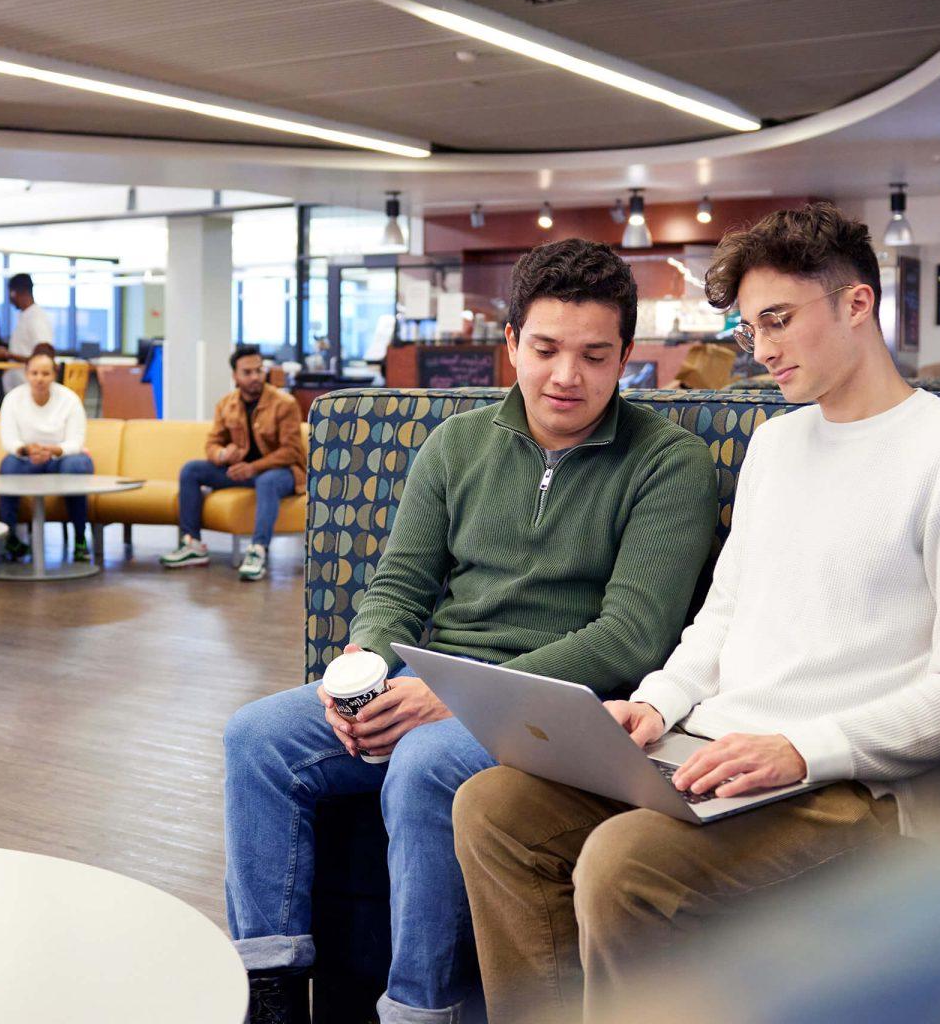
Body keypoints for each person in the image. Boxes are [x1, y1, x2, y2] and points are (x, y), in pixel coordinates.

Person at [452, 204, 940, 1023]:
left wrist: (800, 749)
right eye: (750, 326)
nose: (759, 349)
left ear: (856, 305)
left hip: (854, 789)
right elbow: (722, 617)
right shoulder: (776, 446)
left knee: (622, 864)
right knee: (495, 805)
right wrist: (657, 703)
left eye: (779, 320)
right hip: (712, 757)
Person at [223, 240, 719, 1024]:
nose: (567, 376)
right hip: (434, 681)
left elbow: (630, 636)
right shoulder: (457, 444)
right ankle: (270, 991)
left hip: (565, 705)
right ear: (512, 343)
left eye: (595, 355)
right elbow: (397, 587)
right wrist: (366, 662)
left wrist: (453, 699)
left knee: (423, 761)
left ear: (626, 356)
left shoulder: (670, 464)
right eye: (547, 349)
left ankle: (421, 1012)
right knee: (256, 738)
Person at [158, 345, 304, 582]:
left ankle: (258, 550)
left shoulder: (284, 403)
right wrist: (224, 455)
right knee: (191, 470)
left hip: (280, 473)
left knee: (267, 481)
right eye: (247, 372)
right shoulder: (226, 404)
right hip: (240, 472)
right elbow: (212, 445)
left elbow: (291, 451)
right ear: (235, 376)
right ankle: (192, 544)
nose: (255, 376)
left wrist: (253, 467)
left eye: (259, 370)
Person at [0, 344, 93, 563]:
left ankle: (80, 539)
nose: (39, 379)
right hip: (28, 458)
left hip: (62, 458)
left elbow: (76, 442)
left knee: (76, 466)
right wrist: (26, 449)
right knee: (8, 466)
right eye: (34, 373)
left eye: (45, 373)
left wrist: (55, 450)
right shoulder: (13, 399)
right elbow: (9, 441)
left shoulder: (69, 399)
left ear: (54, 375)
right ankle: (10, 536)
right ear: (26, 374)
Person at [3, 273, 55, 392]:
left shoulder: (36, 318)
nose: (10, 299)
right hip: (19, 388)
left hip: (30, 387)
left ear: (15, 292)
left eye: (10, 293)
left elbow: (43, 355)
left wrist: (8, 355)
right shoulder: (25, 315)